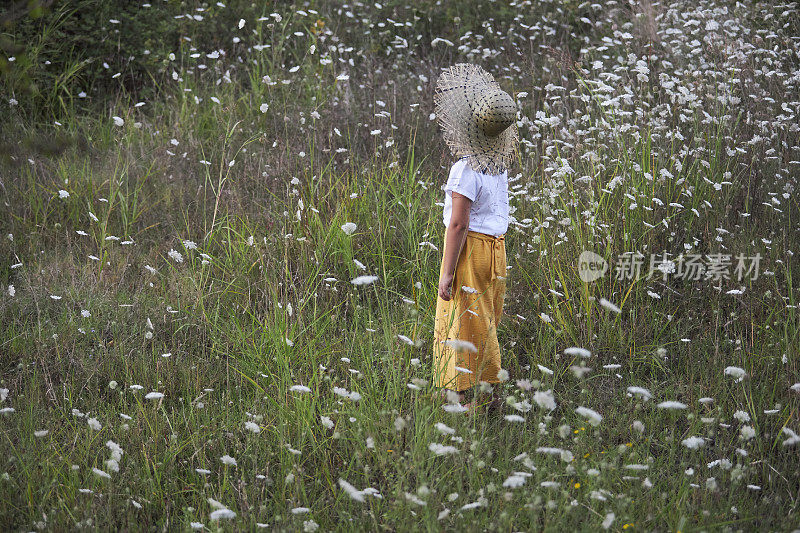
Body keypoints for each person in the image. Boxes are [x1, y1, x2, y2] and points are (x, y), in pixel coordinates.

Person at [432, 63, 519, 412]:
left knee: (462, 321)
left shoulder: (466, 169)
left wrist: (447, 272)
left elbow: (457, 225)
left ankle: (468, 397)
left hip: (472, 252)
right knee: (485, 320)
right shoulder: (498, 168)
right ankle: (483, 394)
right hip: (496, 251)